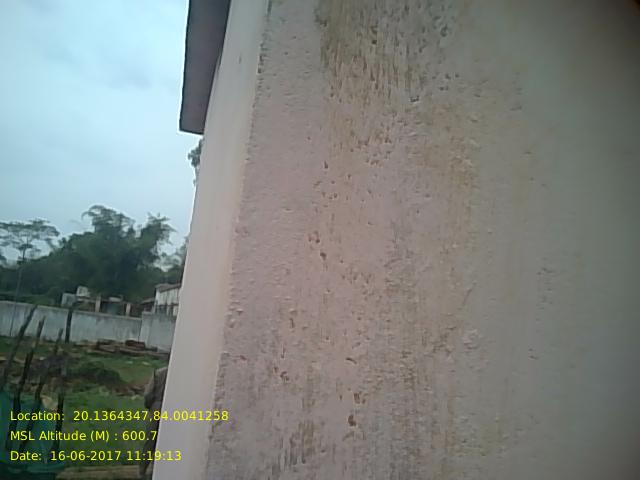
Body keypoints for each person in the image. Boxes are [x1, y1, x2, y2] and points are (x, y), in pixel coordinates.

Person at [139, 366, 168, 479]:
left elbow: (148, 394)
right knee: (165, 441)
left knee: (150, 441)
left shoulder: (158, 373)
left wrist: (150, 406)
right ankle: (155, 470)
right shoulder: (178, 375)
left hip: (156, 407)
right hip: (172, 408)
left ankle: (142, 470)